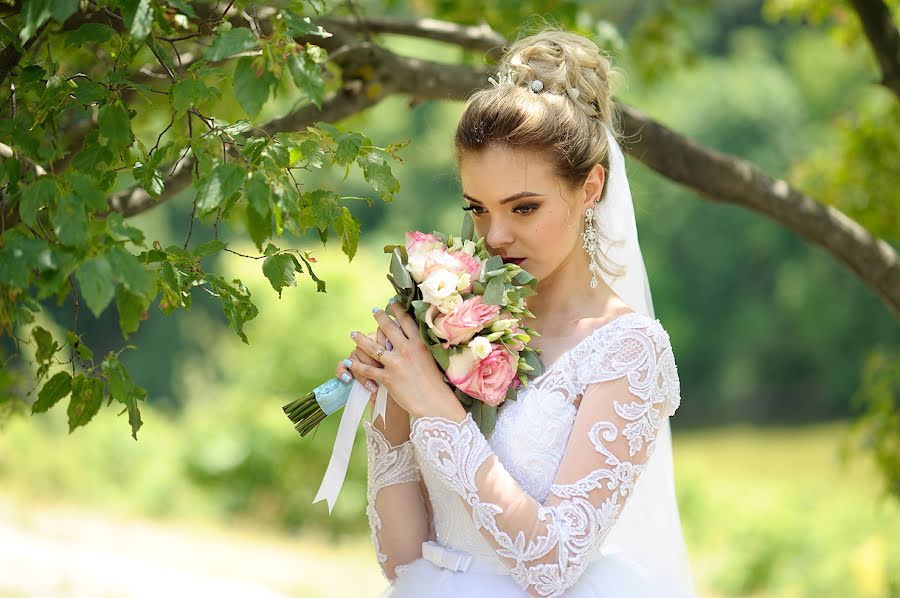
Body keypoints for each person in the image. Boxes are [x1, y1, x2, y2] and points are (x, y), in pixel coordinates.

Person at [334, 28, 697, 598]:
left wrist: (434, 403)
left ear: (591, 187)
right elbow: (402, 560)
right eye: (477, 209)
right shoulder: (456, 320)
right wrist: (392, 397)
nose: (495, 235)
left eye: (524, 207)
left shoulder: (628, 350)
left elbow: (551, 565)